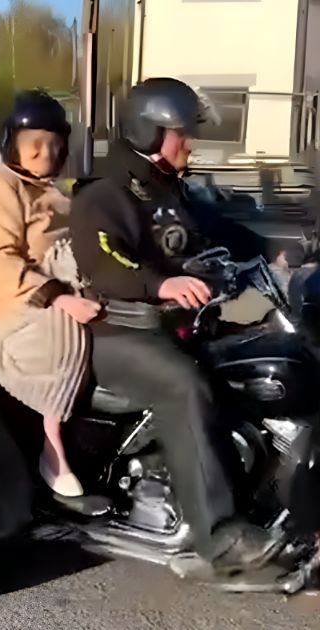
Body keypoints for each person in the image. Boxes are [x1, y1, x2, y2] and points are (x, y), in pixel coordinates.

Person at [69, 77, 291, 573]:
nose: (189, 141)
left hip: (175, 327)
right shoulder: (105, 195)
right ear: (149, 133)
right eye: (180, 132)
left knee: (260, 363)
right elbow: (103, 260)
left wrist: (277, 251)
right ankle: (218, 536)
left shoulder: (170, 192)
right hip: (118, 332)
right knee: (183, 384)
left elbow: (219, 230)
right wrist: (160, 285)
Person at [0, 91, 104, 507]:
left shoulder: (51, 189)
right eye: (35, 144)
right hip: (13, 304)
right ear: (13, 143)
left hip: (64, 282)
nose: (46, 154)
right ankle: (52, 444)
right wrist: (58, 297)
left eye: (55, 146)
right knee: (69, 329)